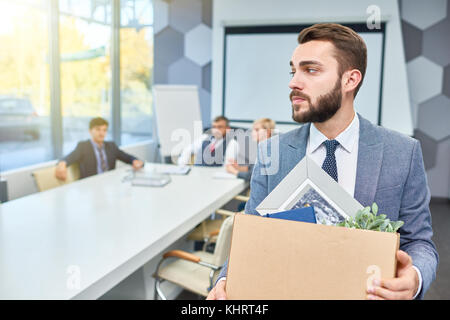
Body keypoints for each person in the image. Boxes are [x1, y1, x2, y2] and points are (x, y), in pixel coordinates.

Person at [207, 23, 438, 300]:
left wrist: (415, 279)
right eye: (293, 70)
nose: (294, 82)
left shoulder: (402, 152)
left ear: (350, 80)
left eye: (311, 70)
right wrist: (225, 280)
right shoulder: (271, 152)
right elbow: (249, 239)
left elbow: (419, 242)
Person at [55, 117, 144, 180]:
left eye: (104, 130)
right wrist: (62, 164)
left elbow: (126, 157)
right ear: (90, 131)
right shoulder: (83, 146)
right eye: (98, 129)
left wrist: (135, 161)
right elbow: (70, 157)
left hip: (109, 184)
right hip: (89, 187)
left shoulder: (111, 146)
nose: (102, 133)